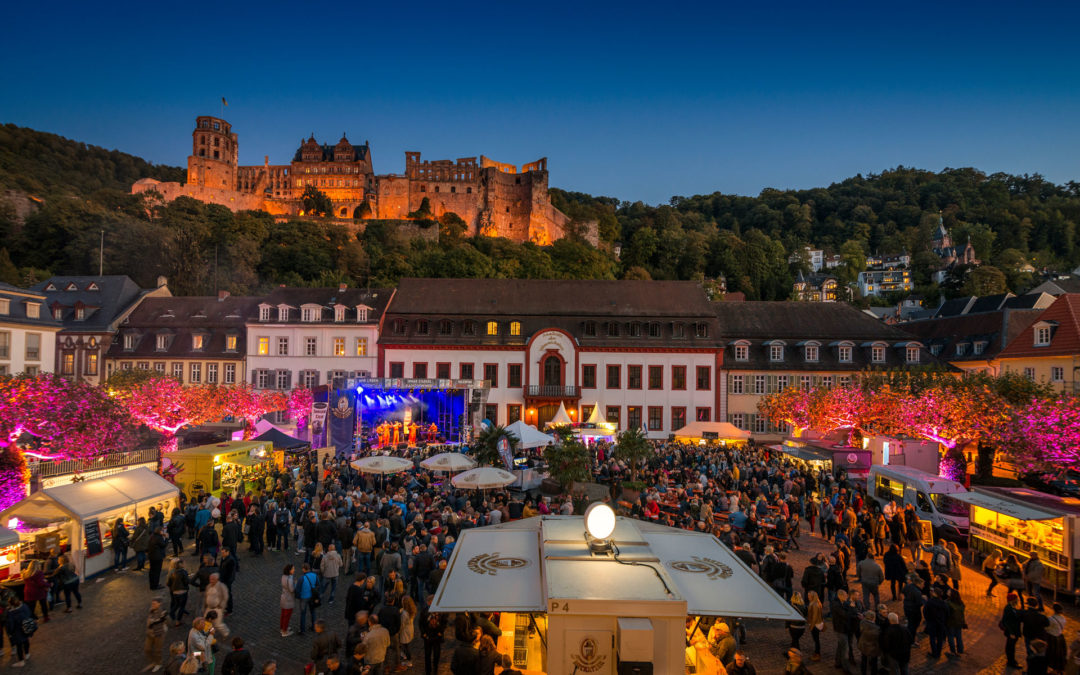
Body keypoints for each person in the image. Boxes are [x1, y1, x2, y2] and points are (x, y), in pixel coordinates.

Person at [419, 597, 447, 675]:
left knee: (436, 654)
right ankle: (428, 670)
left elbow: (444, 622)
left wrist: (440, 632)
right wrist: (424, 634)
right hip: (427, 636)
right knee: (427, 655)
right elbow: (421, 623)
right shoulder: (424, 611)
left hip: (437, 637)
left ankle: (435, 668)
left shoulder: (441, 611)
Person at [5, 596, 33, 667]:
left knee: (19, 646)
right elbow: (29, 614)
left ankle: (21, 661)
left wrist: (10, 632)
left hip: (17, 632)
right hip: (26, 628)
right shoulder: (24, 606)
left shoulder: (11, 612)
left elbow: (10, 624)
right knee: (26, 641)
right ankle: (27, 654)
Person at [145, 597, 169, 672]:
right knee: (147, 649)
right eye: (152, 603)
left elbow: (162, 620)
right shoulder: (151, 609)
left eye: (155, 603)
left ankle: (158, 663)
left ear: (160, 603)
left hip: (158, 634)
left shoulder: (163, 611)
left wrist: (164, 627)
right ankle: (154, 661)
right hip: (150, 633)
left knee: (158, 650)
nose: (153, 605)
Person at [1002, 592, 1023, 669]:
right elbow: (1006, 621)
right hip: (1012, 632)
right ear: (1013, 600)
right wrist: (1011, 633)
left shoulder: (1012, 607)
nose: (1017, 600)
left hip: (1014, 631)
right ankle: (1011, 662)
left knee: (1011, 646)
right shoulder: (1008, 608)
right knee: (1010, 647)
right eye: (1016, 599)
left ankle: (1011, 661)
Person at [297, 563, 319, 635]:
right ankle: (314, 627)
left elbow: (298, 590)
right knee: (313, 612)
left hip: (304, 598)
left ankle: (302, 630)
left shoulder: (301, 578)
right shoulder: (315, 575)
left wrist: (298, 597)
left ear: (304, 569)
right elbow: (318, 584)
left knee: (303, 614)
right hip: (312, 597)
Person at [857, 610, 880, 675]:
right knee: (874, 662)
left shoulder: (862, 622)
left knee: (864, 660)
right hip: (872, 647)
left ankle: (863, 672)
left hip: (863, 645)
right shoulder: (876, 628)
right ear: (873, 618)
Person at [945, 588, 965, 656]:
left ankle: (952, 651)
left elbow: (946, 613)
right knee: (959, 636)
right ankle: (960, 650)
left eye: (949, 591)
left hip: (951, 622)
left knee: (950, 636)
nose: (947, 591)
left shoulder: (947, 602)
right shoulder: (960, 602)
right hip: (959, 622)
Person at [399, 595, 417, 669]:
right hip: (410, 629)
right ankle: (404, 654)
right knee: (407, 644)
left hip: (405, 631)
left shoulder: (404, 614)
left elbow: (402, 624)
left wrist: (398, 632)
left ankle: (409, 660)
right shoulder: (412, 610)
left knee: (406, 646)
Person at [149, 526, 169, 590]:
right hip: (158, 557)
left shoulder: (152, 536)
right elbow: (163, 545)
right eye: (162, 531)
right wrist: (166, 538)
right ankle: (155, 585)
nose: (163, 532)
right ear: (160, 531)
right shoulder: (159, 538)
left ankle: (152, 585)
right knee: (157, 571)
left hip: (151, 556)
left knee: (152, 571)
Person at [806, 590, 824, 662]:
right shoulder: (817, 603)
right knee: (816, 640)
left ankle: (817, 654)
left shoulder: (814, 604)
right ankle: (816, 653)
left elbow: (814, 617)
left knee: (816, 640)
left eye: (809, 596)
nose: (808, 597)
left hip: (816, 625)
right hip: (817, 623)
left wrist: (811, 626)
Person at [280, 564, 296, 637]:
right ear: (289, 570)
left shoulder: (283, 576)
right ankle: (284, 631)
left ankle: (282, 627)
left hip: (283, 597)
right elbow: (292, 589)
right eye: (293, 569)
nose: (294, 570)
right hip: (288, 599)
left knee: (283, 614)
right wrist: (295, 584)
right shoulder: (289, 579)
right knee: (287, 616)